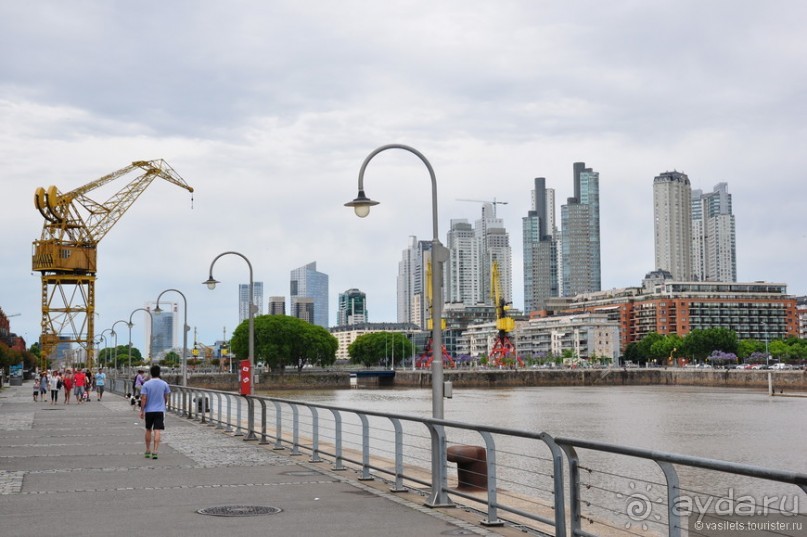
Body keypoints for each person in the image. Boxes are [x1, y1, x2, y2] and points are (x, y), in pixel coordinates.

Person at [139, 365, 171, 460]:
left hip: (149, 410)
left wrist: (142, 410)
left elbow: (144, 398)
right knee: (157, 430)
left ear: (151, 373)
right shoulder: (164, 384)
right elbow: (166, 397)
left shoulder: (146, 384)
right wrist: (163, 404)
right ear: (159, 372)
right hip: (160, 410)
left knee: (148, 429)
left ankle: (148, 450)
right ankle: (155, 451)